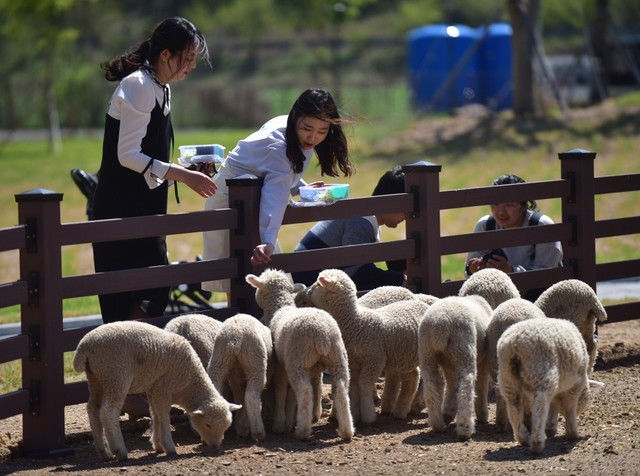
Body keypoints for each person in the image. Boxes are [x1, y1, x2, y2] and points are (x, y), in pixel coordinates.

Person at [92, 17, 217, 325]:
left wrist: (189, 166)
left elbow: (152, 148)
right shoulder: (138, 85)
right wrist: (184, 175)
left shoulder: (161, 87)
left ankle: (134, 353)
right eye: (187, 59)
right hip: (121, 205)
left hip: (146, 203)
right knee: (130, 293)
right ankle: (123, 353)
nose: (191, 67)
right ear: (165, 55)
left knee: (156, 286)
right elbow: (127, 155)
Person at [202, 88, 354, 301]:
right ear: (294, 117)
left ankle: (267, 329)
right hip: (228, 202)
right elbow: (275, 194)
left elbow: (275, 176)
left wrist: (300, 188)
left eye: (322, 131)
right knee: (240, 284)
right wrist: (268, 241)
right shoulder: (278, 147)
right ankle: (243, 330)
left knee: (273, 283)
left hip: (253, 200)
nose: (313, 137)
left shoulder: (287, 130)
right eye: (307, 128)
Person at [291, 166, 407, 291]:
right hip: (309, 282)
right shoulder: (361, 222)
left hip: (313, 277)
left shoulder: (365, 217)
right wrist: (399, 279)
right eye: (405, 207)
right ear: (390, 202)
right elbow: (356, 272)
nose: (406, 216)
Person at [464, 173, 563, 301]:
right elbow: (468, 272)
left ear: (523, 204)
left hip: (539, 298)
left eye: (508, 205)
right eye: (495, 204)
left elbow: (547, 275)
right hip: (497, 296)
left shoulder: (541, 225)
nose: (500, 211)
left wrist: (511, 271)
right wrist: (473, 269)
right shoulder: (485, 225)